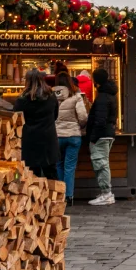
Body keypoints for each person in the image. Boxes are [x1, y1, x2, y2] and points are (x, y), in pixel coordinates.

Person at [14, 69, 60, 180]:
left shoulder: (22, 101)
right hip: (49, 140)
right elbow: (55, 116)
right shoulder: (51, 97)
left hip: (30, 142)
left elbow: (16, 120)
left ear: (27, 81)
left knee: (33, 177)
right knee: (52, 176)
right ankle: (55, 197)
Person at [52, 73, 89, 205]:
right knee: (70, 167)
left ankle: (61, 195)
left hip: (57, 136)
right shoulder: (76, 96)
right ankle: (69, 196)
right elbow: (83, 116)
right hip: (73, 135)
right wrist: (80, 126)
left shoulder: (51, 97)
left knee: (59, 165)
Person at [84, 69, 118, 206]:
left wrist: (93, 138)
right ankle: (105, 192)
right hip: (107, 133)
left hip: (101, 135)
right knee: (102, 163)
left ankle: (106, 193)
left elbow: (100, 120)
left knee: (101, 164)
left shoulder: (103, 97)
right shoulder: (109, 94)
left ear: (96, 81)